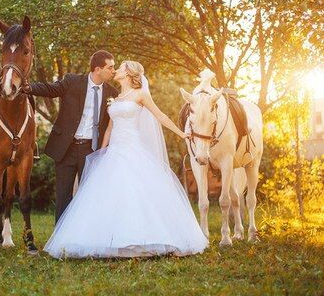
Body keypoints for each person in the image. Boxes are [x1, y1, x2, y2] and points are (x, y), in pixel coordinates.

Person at [43, 60, 209, 258]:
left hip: (133, 148)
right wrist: (101, 152)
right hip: (114, 150)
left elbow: (160, 116)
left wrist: (182, 134)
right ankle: (109, 239)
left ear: (129, 73)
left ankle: (143, 238)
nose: (115, 71)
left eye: (120, 68)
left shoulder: (141, 95)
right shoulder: (116, 97)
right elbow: (110, 128)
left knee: (135, 191)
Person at [25, 50, 118, 223]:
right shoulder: (72, 81)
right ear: (98, 69)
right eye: (110, 67)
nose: (114, 71)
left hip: (91, 150)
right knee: (63, 195)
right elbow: (51, 89)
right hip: (66, 148)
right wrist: (29, 88)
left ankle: (84, 234)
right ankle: (60, 236)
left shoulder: (113, 94)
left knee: (88, 196)